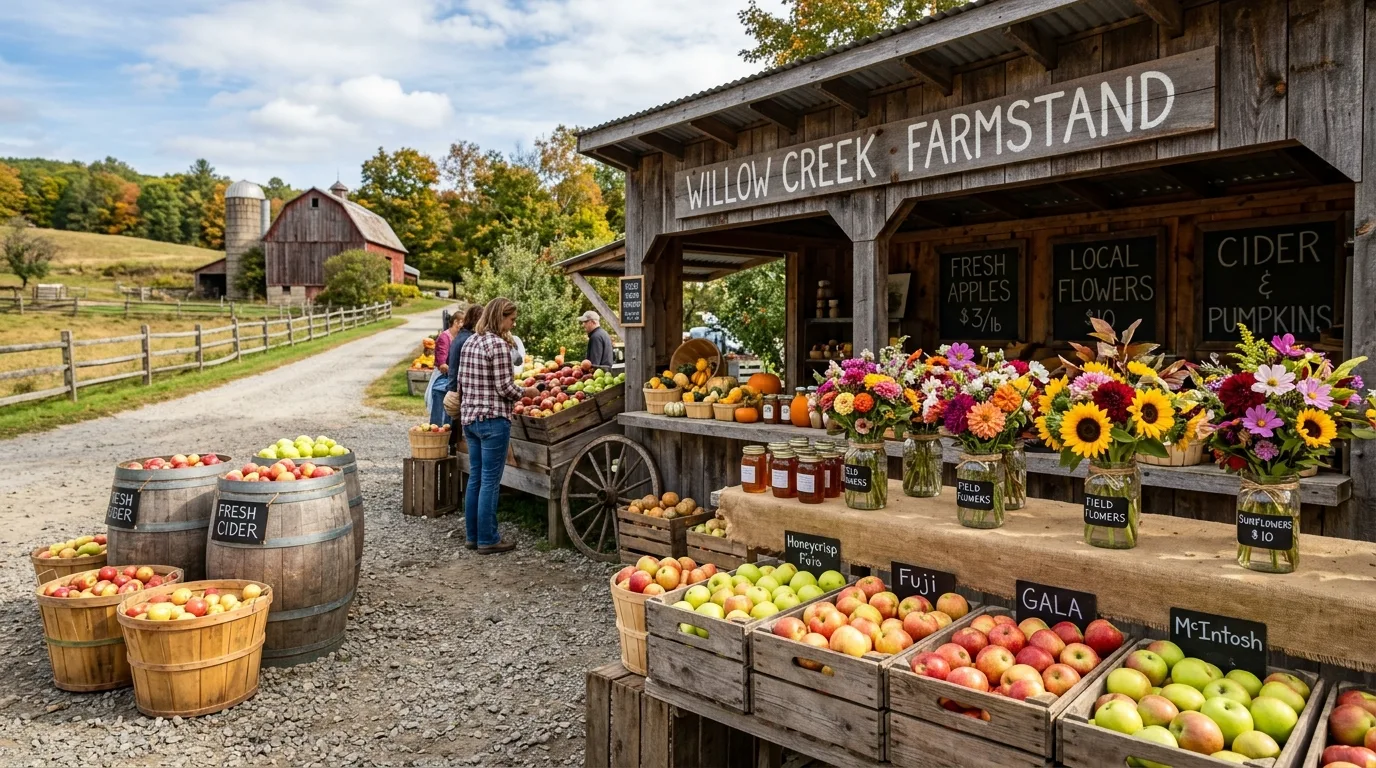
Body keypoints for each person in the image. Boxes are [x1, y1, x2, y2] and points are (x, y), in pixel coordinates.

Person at [454, 297, 537, 554]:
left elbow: (460, 382)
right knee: (490, 480)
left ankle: (472, 536)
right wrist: (528, 391)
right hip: (493, 420)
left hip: (470, 420)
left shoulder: (470, 342)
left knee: (476, 478)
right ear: (500, 317)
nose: (512, 325)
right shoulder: (498, 345)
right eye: (511, 320)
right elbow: (505, 388)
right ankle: (488, 539)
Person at [442, 305, 482, 451]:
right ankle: (458, 459)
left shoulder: (460, 337)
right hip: (460, 391)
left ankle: (455, 454)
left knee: (457, 431)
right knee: (461, 435)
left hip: (453, 387)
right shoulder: (469, 339)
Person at [426, 313, 461, 427]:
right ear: (456, 322)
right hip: (443, 378)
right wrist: (457, 371)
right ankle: (438, 440)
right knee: (441, 416)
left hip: (452, 377)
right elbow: (442, 366)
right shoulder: (445, 338)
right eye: (463, 322)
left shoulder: (458, 337)